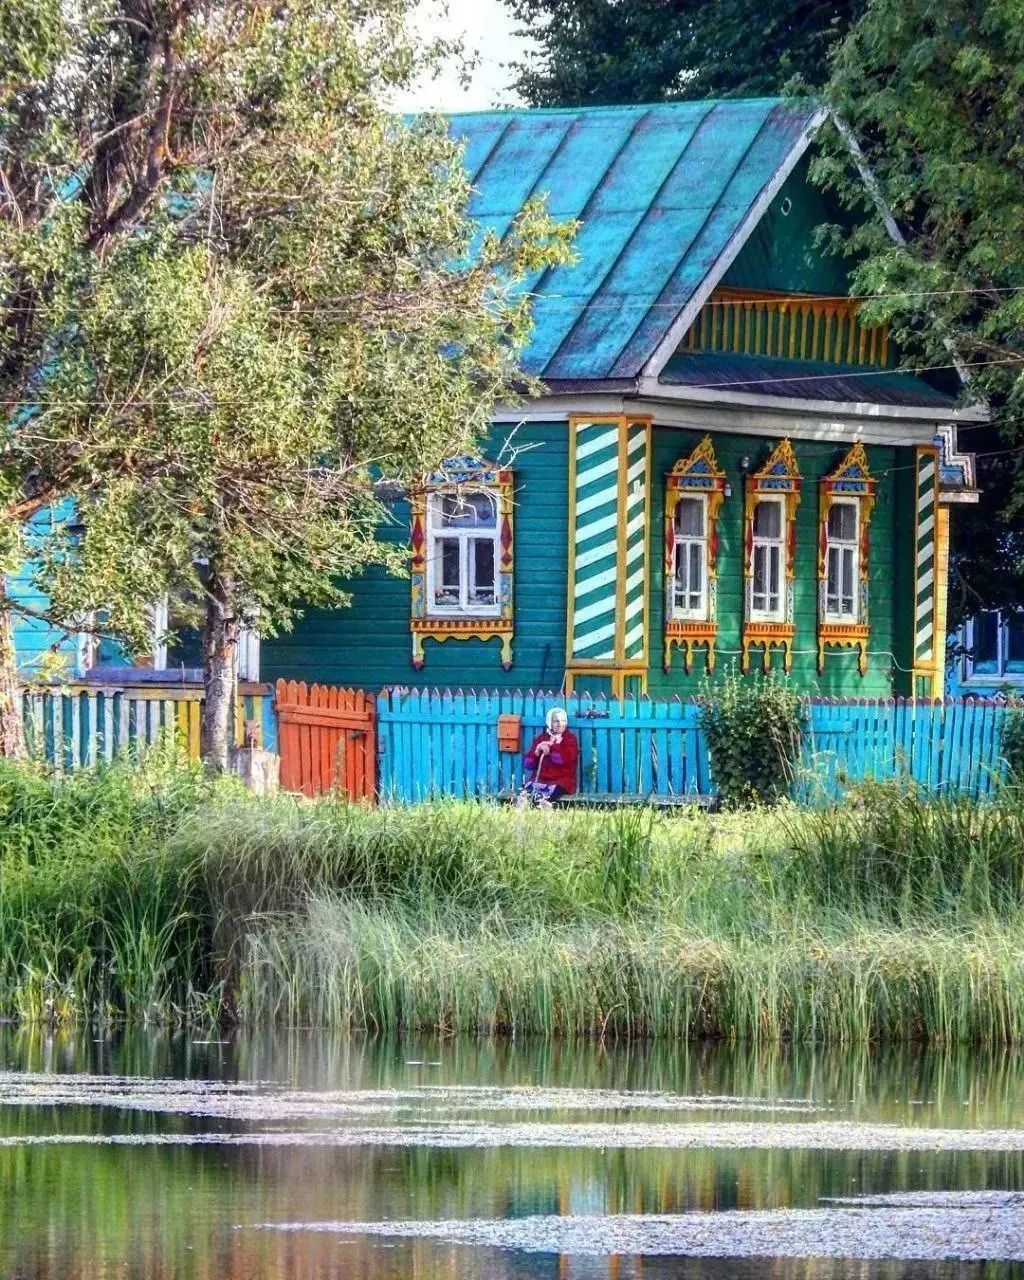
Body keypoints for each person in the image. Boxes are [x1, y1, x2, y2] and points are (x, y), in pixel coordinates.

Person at [517, 708, 579, 809]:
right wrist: (537, 751)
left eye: (563, 721)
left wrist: (551, 748)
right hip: (540, 779)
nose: (560, 724)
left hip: (561, 780)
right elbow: (528, 764)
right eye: (556, 721)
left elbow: (563, 759)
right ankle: (518, 817)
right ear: (549, 722)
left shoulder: (570, 739)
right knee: (523, 797)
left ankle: (546, 813)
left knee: (543, 800)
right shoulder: (541, 738)